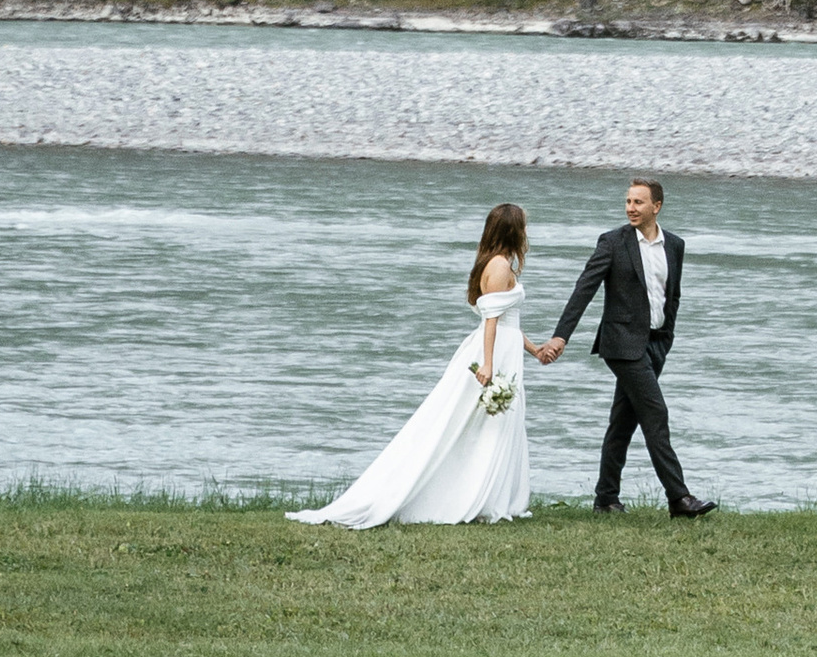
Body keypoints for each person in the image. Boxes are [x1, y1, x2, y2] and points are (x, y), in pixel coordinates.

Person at [286, 198, 549, 529]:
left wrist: (534, 349)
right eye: (523, 225)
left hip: (505, 349)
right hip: (493, 353)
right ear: (514, 230)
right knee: (476, 424)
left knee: (497, 423)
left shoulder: (498, 264)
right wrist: (488, 365)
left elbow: (508, 322)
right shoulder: (498, 268)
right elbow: (492, 322)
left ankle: (493, 494)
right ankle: (468, 495)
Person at [537, 173, 714, 518]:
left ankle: (606, 498)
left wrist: (666, 337)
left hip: (656, 344)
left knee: (623, 422)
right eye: (628, 201)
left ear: (656, 206)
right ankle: (680, 498)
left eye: (638, 202)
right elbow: (583, 290)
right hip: (621, 345)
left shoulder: (675, 245)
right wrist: (561, 335)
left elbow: (671, 296)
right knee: (655, 413)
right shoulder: (612, 242)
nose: (630, 208)